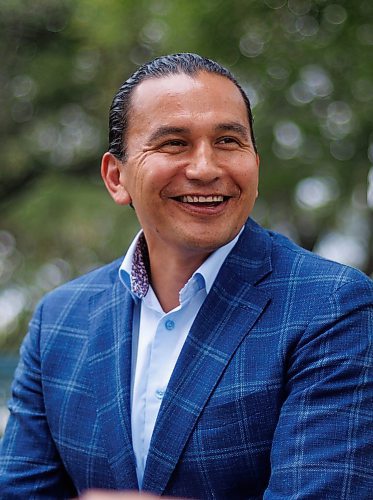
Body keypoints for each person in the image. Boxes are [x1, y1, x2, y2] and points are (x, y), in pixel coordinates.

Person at [0, 53, 372, 499]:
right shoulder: (59, 321)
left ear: (255, 161)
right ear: (116, 178)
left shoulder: (333, 306)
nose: (205, 168)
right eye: (174, 143)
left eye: (229, 142)